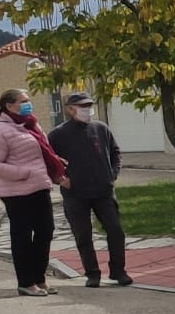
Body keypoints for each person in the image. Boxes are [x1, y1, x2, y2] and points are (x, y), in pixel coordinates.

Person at [0, 88, 67, 296]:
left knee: (45, 232)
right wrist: (23, 173)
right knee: (22, 237)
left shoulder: (31, 124)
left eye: (28, 100)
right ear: (9, 106)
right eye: (23, 101)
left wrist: (56, 167)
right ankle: (26, 281)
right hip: (17, 192)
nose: (27, 104)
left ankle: (40, 278)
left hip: (39, 187)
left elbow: (44, 152)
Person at [50, 91, 131, 289]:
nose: (87, 110)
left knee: (115, 231)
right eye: (82, 106)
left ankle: (118, 270)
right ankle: (92, 273)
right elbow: (49, 161)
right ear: (70, 109)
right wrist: (60, 179)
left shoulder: (101, 128)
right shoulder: (58, 134)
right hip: (75, 194)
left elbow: (115, 152)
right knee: (83, 235)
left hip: (103, 191)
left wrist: (112, 174)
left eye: (88, 105)